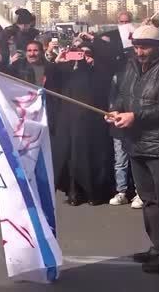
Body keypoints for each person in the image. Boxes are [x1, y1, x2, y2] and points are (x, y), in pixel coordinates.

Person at [107, 24, 159, 274]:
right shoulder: (130, 67)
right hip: (137, 144)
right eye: (136, 46)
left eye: (144, 47)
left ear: (157, 46)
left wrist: (136, 116)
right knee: (150, 202)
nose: (139, 52)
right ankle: (158, 247)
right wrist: (116, 110)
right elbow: (123, 95)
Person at [49, 38, 115, 206]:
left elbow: (105, 84)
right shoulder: (67, 70)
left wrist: (94, 63)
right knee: (72, 158)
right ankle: (74, 192)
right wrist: (58, 61)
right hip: (69, 122)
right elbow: (51, 81)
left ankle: (94, 193)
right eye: (80, 52)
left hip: (92, 124)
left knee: (94, 158)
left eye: (87, 53)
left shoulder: (99, 71)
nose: (83, 56)